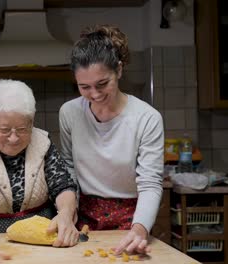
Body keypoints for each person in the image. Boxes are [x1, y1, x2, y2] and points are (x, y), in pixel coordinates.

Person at [59, 25, 164, 255]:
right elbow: (68, 169)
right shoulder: (69, 113)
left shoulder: (147, 118)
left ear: (118, 70)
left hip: (132, 218)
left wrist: (139, 229)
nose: (94, 95)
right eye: (84, 87)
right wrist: (67, 213)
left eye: (102, 84)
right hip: (83, 215)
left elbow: (150, 182)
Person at [0, 79, 80, 264]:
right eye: (5, 129)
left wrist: (65, 213)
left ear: (32, 121)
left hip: (45, 245)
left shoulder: (43, 144)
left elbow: (63, 186)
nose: (14, 138)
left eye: (22, 129)